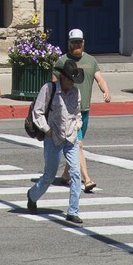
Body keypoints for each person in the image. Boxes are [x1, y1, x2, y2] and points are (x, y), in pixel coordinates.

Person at [24, 52, 85, 223]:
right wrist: (47, 129)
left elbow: (77, 113)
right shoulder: (49, 89)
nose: (72, 83)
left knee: (75, 174)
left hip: (71, 137)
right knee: (49, 175)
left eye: (74, 80)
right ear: (62, 77)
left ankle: (73, 211)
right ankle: (32, 195)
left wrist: (77, 125)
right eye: (69, 79)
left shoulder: (75, 92)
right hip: (54, 137)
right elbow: (38, 112)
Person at [66, 27, 115, 192]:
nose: (76, 45)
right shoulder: (63, 61)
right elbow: (54, 85)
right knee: (78, 144)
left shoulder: (91, 61)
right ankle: (86, 179)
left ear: (83, 42)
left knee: (75, 144)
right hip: (70, 112)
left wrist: (106, 91)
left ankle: (66, 175)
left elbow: (99, 79)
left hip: (84, 110)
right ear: (69, 43)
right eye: (73, 42)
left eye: (79, 42)